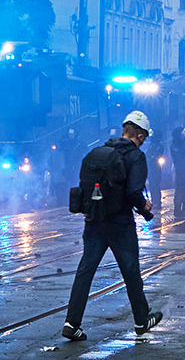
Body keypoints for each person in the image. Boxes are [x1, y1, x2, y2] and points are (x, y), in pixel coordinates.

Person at [61, 111, 163, 341]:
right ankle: (141, 320)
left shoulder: (100, 152)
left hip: (94, 221)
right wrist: (144, 205)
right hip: (119, 223)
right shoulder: (135, 156)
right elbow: (132, 192)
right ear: (138, 134)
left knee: (85, 271)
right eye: (144, 137)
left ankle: (71, 323)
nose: (143, 141)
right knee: (131, 272)